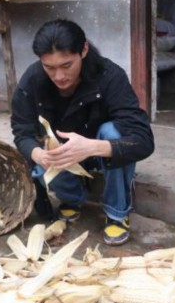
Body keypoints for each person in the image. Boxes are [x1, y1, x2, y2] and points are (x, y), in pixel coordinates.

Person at [11, 19, 155, 246]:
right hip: (63, 153)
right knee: (42, 147)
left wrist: (92, 146)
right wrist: (39, 155)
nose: (59, 76)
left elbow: (143, 140)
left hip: (100, 152)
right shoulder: (32, 79)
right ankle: (72, 199)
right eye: (50, 67)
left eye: (67, 66)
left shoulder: (110, 76)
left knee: (114, 132)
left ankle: (117, 212)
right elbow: (21, 131)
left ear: (84, 50)